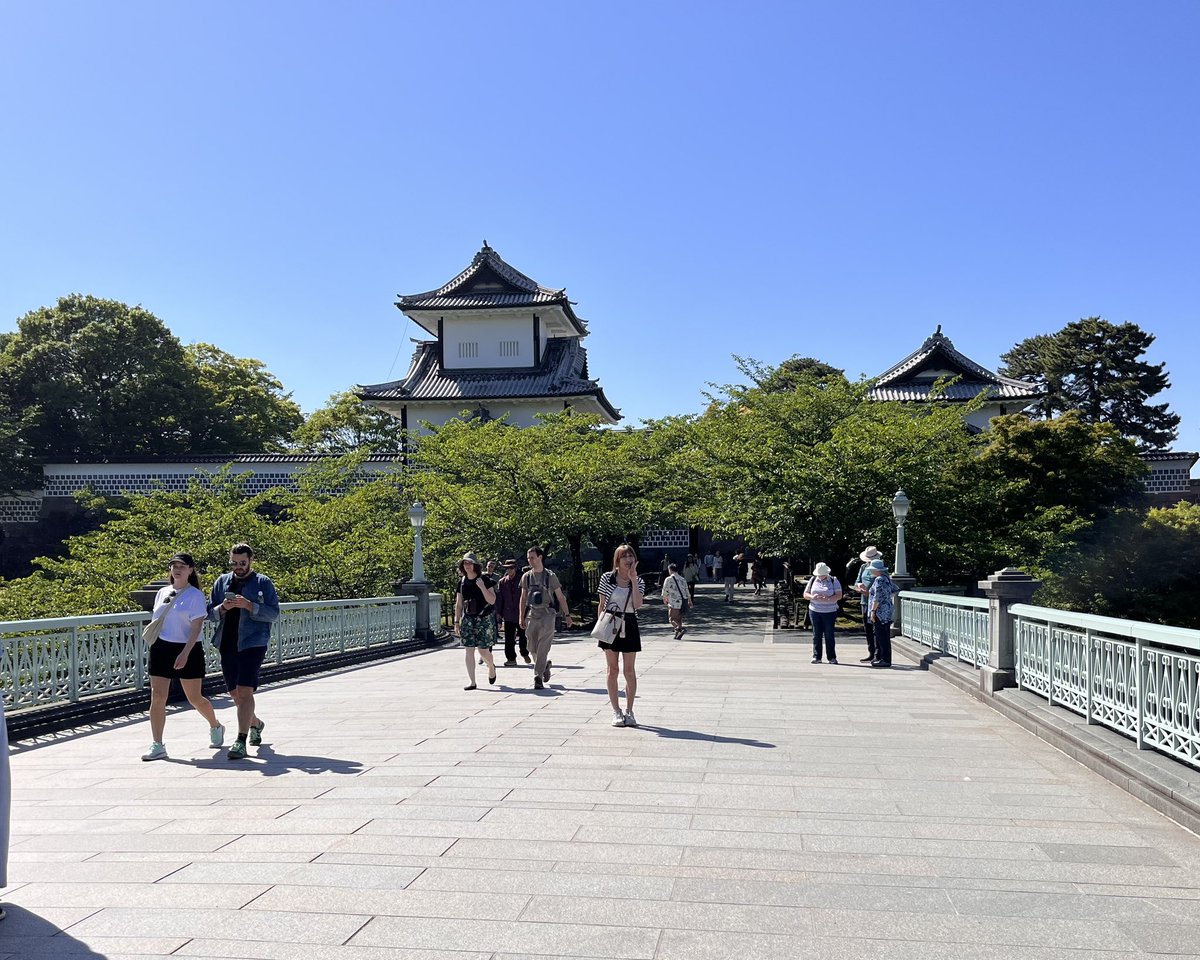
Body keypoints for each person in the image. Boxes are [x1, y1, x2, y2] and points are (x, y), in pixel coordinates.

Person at [142, 552, 224, 761]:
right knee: (158, 696)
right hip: (161, 648)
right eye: (174, 565)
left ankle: (215, 725)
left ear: (190, 570)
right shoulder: (162, 592)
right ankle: (158, 744)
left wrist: (185, 653)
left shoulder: (195, 595)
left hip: (188, 648)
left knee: (194, 698)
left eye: (182, 566)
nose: (177, 569)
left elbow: (196, 628)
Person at [210, 543, 280, 760]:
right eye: (234, 563)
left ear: (251, 561)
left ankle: (240, 740)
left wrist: (250, 606)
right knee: (234, 693)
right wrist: (223, 608)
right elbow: (209, 612)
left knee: (245, 691)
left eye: (242, 563)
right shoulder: (222, 582)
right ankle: (256, 724)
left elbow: (273, 613)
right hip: (227, 643)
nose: (238, 567)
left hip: (253, 643)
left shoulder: (263, 582)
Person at [598, 544, 645, 726]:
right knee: (612, 670)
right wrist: (600, 627)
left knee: (629, 670)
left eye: (630, 556)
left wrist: (633, 579)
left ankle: (629, 710)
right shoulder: (606, 578)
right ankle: (616, 711)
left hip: (630, 622)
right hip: (610, 623)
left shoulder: (638, 581)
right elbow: (602, 604)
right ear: (617, 560)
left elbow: (638, 604)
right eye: (624, 556)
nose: (628, 559)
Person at [519, 546, 572, 690]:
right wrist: (521, 617)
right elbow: (523, 598)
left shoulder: (550, 576)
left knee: (543, 645)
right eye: (528, 558)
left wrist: (567, 615)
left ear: (540, 557)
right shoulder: (526, 577)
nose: (530, 560)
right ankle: (544, 666)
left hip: (548, 613)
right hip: (532, 613)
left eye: (532, 557)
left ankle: (538, 677)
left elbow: (560, 597)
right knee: (532, 645)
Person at [455, 552, 498, 689]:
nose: (467, 566)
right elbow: (459, 603)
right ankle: (472, 681)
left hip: (484, 618)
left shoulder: (484, 580)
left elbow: (492, 600)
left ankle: (491, 666)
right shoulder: (462, 582)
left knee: (483, 650)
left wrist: (482, 587)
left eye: (470, 563)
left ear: (475, 565)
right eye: (465, 563)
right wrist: (457, 622)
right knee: (469, 649)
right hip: (468, 618)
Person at [803, 562, 843, 664]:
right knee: (816, 634)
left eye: (822, 575)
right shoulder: (813, 580)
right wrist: (812, 597)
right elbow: (805, 594)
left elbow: (839, 595)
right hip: (815, 610)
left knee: (829, 634)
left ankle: (832, 657)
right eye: (819, 575)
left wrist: (829, 599)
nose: (820, 577)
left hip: (830, 611)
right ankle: (817, 656)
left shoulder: (834, 580)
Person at [494, 559, 529, 666]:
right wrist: (499, 613)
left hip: (520, 613)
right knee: (509, 638)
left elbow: (526, 597)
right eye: (507, 568)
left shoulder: (522, 579)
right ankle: (511, 658)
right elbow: (499, 598)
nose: (509, 570)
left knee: (523, 636)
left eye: (511, 568)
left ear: (515, 568)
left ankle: (524, 653)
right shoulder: (502, 582)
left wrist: (527, 612)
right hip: (508, 614)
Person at [852, 546, 883, 663]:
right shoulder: (863, 566)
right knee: (868, 629)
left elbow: (881, 585)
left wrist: (869, 592)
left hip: (875, 602)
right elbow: (857, 581)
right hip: (864, 602)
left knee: (876, 629)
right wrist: (859, 587)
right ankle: (871, 652)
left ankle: (878, 654)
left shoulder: (879, 567)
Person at [868, 558, 896, 668]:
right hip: (886, 611)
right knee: (884, 635)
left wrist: (873, 611)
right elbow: (895, 590)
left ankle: (885, 659)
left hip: (880, 612)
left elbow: (877, 597)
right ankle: (882, 658)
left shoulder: (879, 580)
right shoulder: (886, 579)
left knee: (881, 636)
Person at [661, 562, 691, 639]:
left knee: (671, 619)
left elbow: (665, 590)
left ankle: (679, 629)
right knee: (679, 618)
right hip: (682, 601)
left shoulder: (668, 579)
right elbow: (686, 590)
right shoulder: (682, 579)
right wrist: (689, 600)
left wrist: (664, 598)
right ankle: (678, 634)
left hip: (673, 601)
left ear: (670, 570)